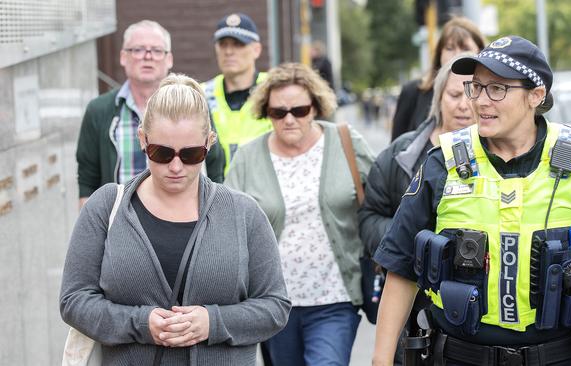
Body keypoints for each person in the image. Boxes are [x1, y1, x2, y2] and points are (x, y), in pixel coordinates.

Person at [372, 35, 571, 366]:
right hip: (462, 356)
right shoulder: (443, 162)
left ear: (536, 95)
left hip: (561, 356)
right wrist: (381, 360)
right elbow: (401, 265)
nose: (480, 101)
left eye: (498, 89)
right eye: (476, 87)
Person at [60, 73, 290, 365]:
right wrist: (140, 323)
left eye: (191, 154)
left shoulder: (243, 213)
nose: (176, 166)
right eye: (162, 153)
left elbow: (275, 306)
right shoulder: (107, 207)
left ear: (209, 143)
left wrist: (212, 322)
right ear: (143, 140)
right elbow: (74, 301)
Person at [225, 62, 375, 366]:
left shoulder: (346, 142)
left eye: (300, 110)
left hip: (335, 298)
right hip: (273, 303)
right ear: (267, 113)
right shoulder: (247, 158)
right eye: (279, 112)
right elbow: (228, 226)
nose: (289, 119)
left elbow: (380, 203)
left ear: (316, 107)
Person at [359, 56, 473, 364]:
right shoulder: (401, 155)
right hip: (412, 308)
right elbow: (370, 214)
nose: (464, 104)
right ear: (437, 99)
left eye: (472, 92)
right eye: (454, 94)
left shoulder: (495, 158)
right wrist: (415, 245)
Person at [76, 20, 225, 208]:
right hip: (118, 223)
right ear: (123, 57)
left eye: (156, 50)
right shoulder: (99, 110)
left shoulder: (194, 107)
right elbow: (87, 181)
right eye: (138, 50)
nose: (148, 57)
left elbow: (215, 168)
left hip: (185, 219)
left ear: (169, 59)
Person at [390, 16, 485, 141]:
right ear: (439, 53)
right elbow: (397, 149)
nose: (457, 54)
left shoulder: (487, 94)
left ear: (480, 51)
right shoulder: (412, 91)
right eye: (449, 48)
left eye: (465, 48)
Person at [202, 12, 272, 173]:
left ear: (256, 50)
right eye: (223, 44)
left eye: (238, 44)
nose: (229, 51)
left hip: (262, 192)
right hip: (216, 193)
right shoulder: (202, 93)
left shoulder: (273, 89)